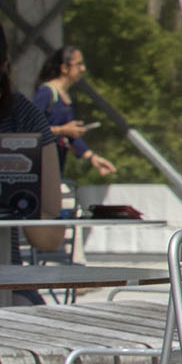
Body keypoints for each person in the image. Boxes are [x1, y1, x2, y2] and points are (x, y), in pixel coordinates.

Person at [1, 22, 66, 285]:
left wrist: (21, 198)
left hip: (6, 284)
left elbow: (49, 238)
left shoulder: (22, 117)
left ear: (4, 66)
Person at [33, 46, 115, 179]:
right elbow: (30, 129)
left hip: (56, 168)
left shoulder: (66, 97)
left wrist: (92, 157)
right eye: (79, 64)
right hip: (40, 168)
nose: (83, 69)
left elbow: (71, 138)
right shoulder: (46, 93)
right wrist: (62, 130)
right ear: (64, 68)